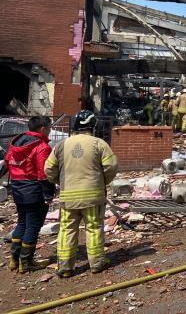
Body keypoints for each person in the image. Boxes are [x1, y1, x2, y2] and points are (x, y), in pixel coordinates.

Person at [45, 110, 118, 277]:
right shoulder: (99, 144)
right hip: (92, 196)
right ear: (92, 127)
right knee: (93, 228)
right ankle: (97, 263)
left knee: (67, 229)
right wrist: (102, 182)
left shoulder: (61, 145)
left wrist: (60, 181)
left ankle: (64, 268)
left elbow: (48, 168)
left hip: (68, 197)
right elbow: (111, 167)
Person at [6, 116, 55, 273]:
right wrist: (48, 194)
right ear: (42, 129)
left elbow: (7, 160)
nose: (50, 130)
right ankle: (26, 262)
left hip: (17, 188)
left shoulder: (17, 142)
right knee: (33, 226)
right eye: (49, 127)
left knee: (22, 223)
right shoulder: (42, 147)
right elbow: (43, 174)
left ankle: (14, 260)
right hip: (34, 190)